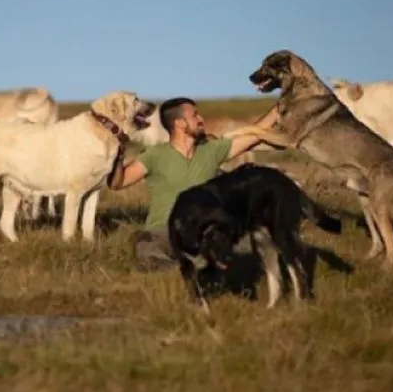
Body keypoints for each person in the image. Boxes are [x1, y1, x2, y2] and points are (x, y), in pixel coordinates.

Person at [107, 97, 280, 271]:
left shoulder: (212, 150)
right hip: (164, 233)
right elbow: (118, 182)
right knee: (144, 247)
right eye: (195, 115)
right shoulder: (154, 155)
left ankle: (202, 267)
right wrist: (119, 154)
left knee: (242, 247)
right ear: (180, 123)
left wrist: (279, 108)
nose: (201, 120)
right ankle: (190, 269)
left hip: (206, 231)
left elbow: (255, 136)